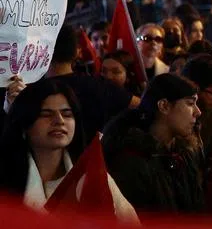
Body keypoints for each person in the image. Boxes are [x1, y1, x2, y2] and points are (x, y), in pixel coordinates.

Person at [0, 79, 137, 221]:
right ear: (24, 124)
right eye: (46, 114)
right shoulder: (5, 179)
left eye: (67, 114)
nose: (59, 121)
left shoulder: (92, 175)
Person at [102, 74, 205, 215]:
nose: (197, 112)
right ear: (164, 106)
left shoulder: (183, 153)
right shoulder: (130, 160)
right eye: (190, 103)